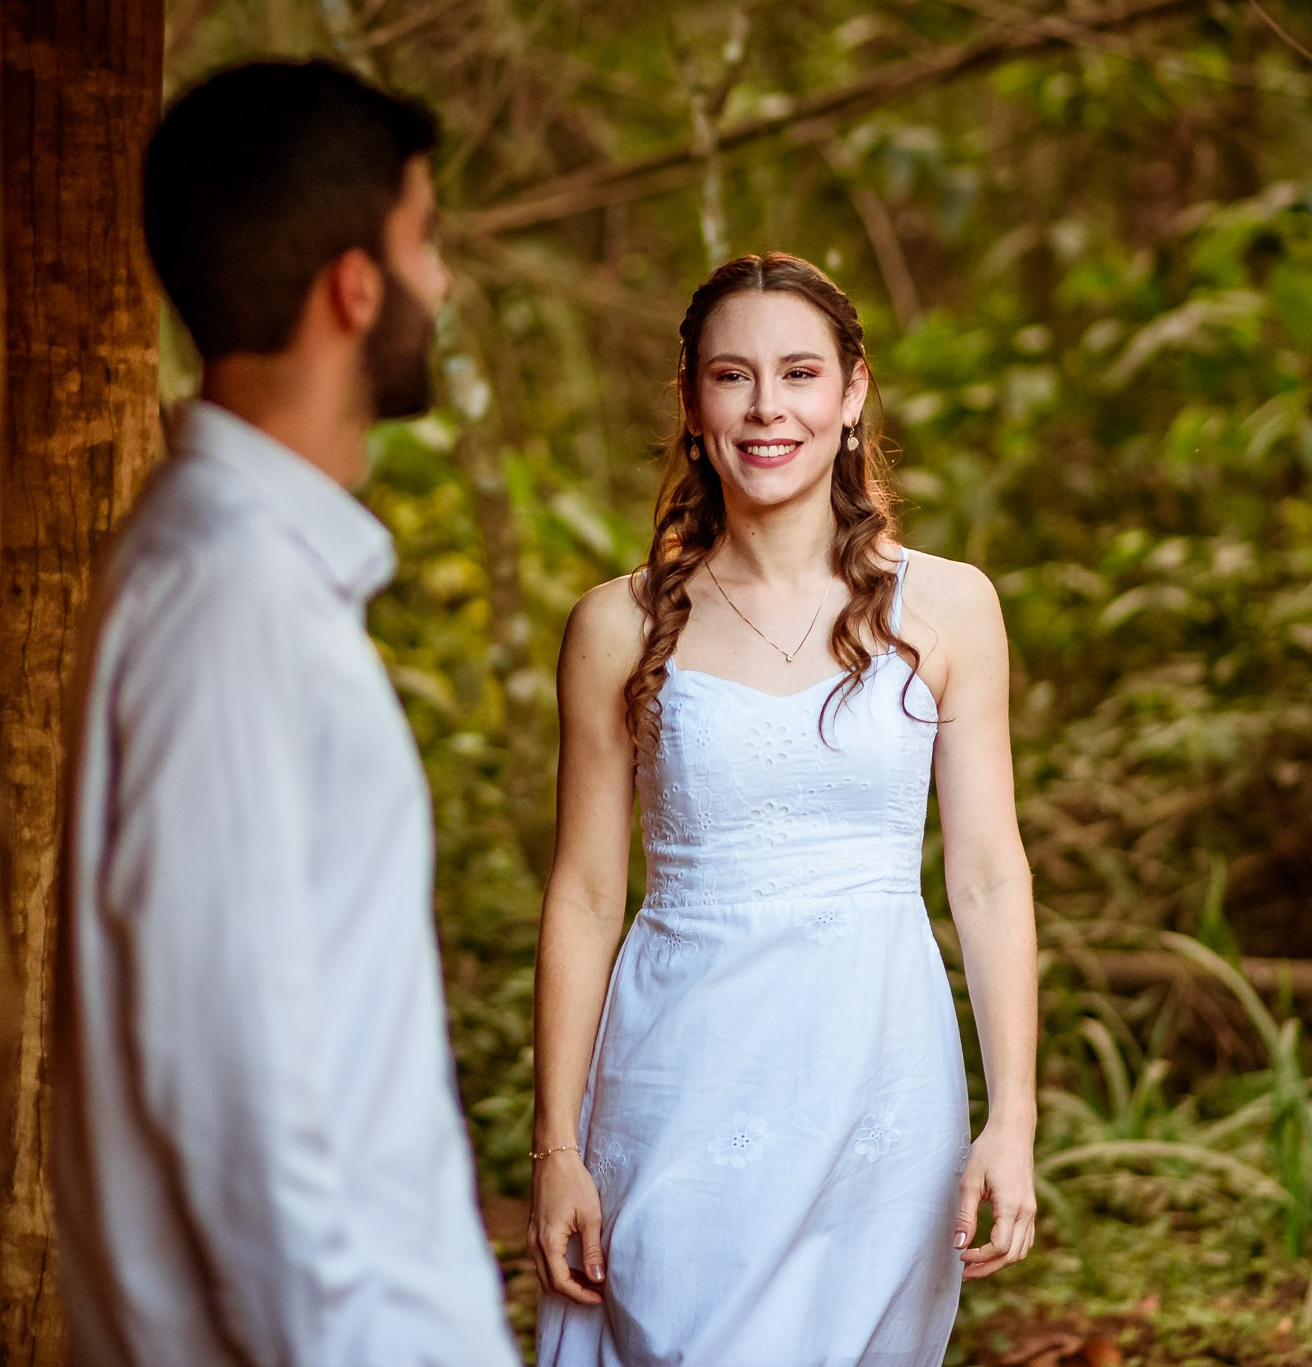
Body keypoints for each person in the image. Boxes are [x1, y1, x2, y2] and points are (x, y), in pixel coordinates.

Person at [51, 61, 519, 1367]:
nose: (442, 285)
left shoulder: (240, 569)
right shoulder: (229, 593)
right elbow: (230, 1069)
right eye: (424, 243)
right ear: (352, 287)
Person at [527, 253, 1040, 1366]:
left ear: (851, 393)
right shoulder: (613, 626)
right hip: (678, 1069)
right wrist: (552, 1145)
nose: (768, 408)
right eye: (732, 376)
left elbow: (989, 874)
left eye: (798, 372)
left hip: (877, 1079)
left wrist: (1012, 1116)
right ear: (692, 402)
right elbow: (578, 893)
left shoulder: (950, 606)